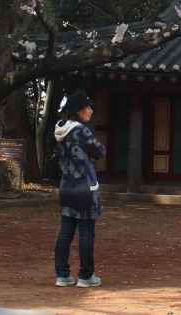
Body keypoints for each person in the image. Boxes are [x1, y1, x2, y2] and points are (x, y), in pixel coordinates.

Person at [53, 91, 106, 288]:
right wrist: (90, 157)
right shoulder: (81, 131)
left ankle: (62, 275)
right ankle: (86, 276)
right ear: (78, 111)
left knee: (65, 231)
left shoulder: (60, 130)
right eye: (87, 108)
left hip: (66, 186)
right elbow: (100, 151)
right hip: (85, 187)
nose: (91, 111)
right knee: (86, 232)